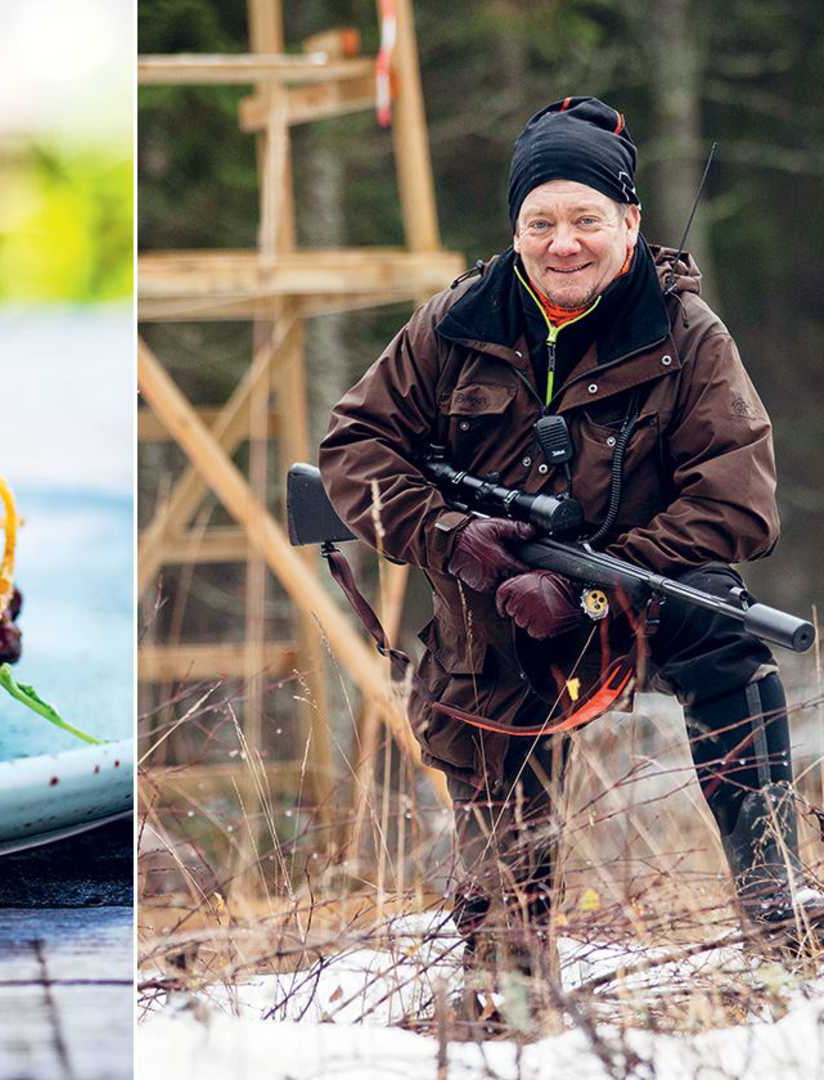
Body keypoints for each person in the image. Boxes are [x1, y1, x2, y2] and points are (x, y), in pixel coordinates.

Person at [318, 97, 822, 984]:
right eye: (540, 221)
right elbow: (354, 449)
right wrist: (449, 535)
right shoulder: (454, 324)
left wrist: (604, 579)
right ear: (515, 227)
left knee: (730, 647)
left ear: (629, 222)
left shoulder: (686, 333)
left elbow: (739, 503)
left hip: (647, 585)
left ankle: (779, 919)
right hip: (503, 598)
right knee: (500, 902)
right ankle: (510, 978)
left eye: (587, 219)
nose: (564, 243)